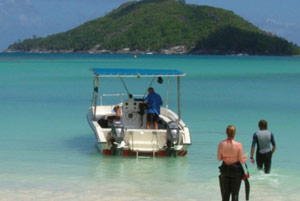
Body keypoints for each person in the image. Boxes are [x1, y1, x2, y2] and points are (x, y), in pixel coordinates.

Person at [218, 125, 248, 201]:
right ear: (235, 133)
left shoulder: (221, 144)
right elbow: (241, 161)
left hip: (225, 170)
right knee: (235, 194)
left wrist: (226, 157)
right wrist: (245, 158)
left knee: (225, 194)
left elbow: (219, 158)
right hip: (236, 172)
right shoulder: (239, 145)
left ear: (226, 132)